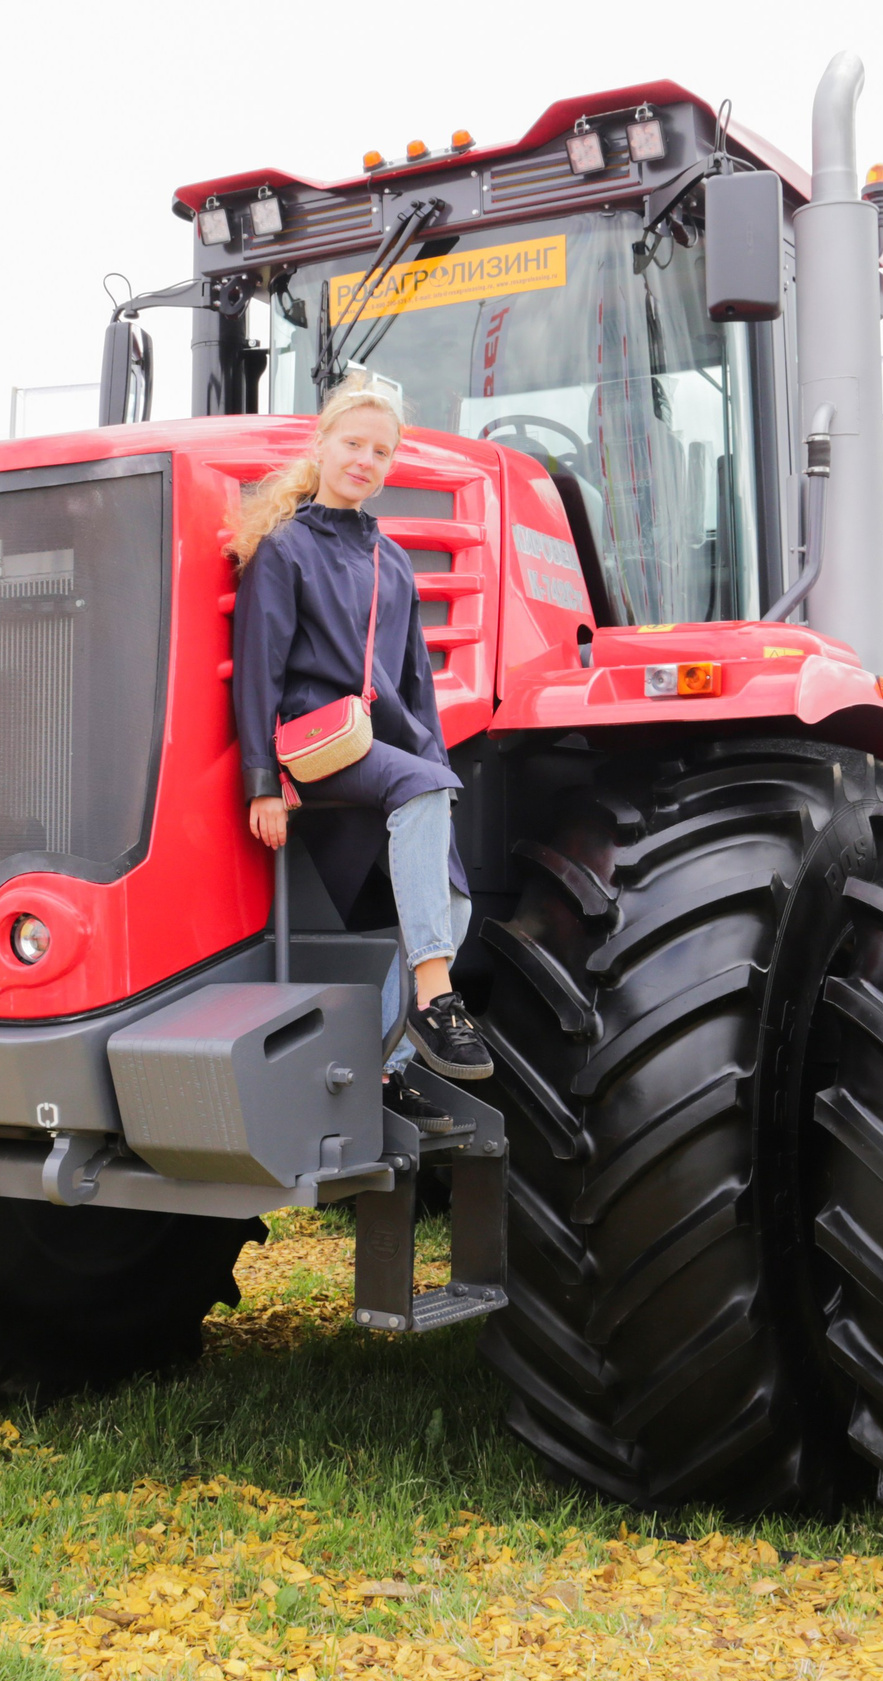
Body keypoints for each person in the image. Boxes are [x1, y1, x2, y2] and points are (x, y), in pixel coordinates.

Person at [230, 378, 491, 1133]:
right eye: (353, 443)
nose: (365, 460)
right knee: (417, 795)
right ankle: (437, 998)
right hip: (316, 746)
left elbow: (417, 689)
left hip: (387, 752)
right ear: (321, 445)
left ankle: (384, 1070)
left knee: (457, 900)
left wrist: (439, 769)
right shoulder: (284, 549)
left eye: (381, 451)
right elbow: (258, 670)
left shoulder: (394, 560)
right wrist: (262, 782)